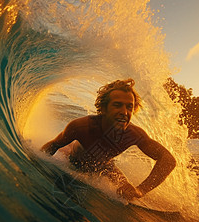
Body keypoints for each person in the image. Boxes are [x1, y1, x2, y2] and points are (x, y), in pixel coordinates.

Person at [41, 79, 176, 201]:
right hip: (72, 158)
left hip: (106, 167)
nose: (124, 112)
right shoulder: (81, 127)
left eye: (129, 107)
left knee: (127, 191)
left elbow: (168, 160)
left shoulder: (134, 134)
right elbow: (52, 146)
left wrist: (141, 190)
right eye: (117, 105)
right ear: (103, 109)